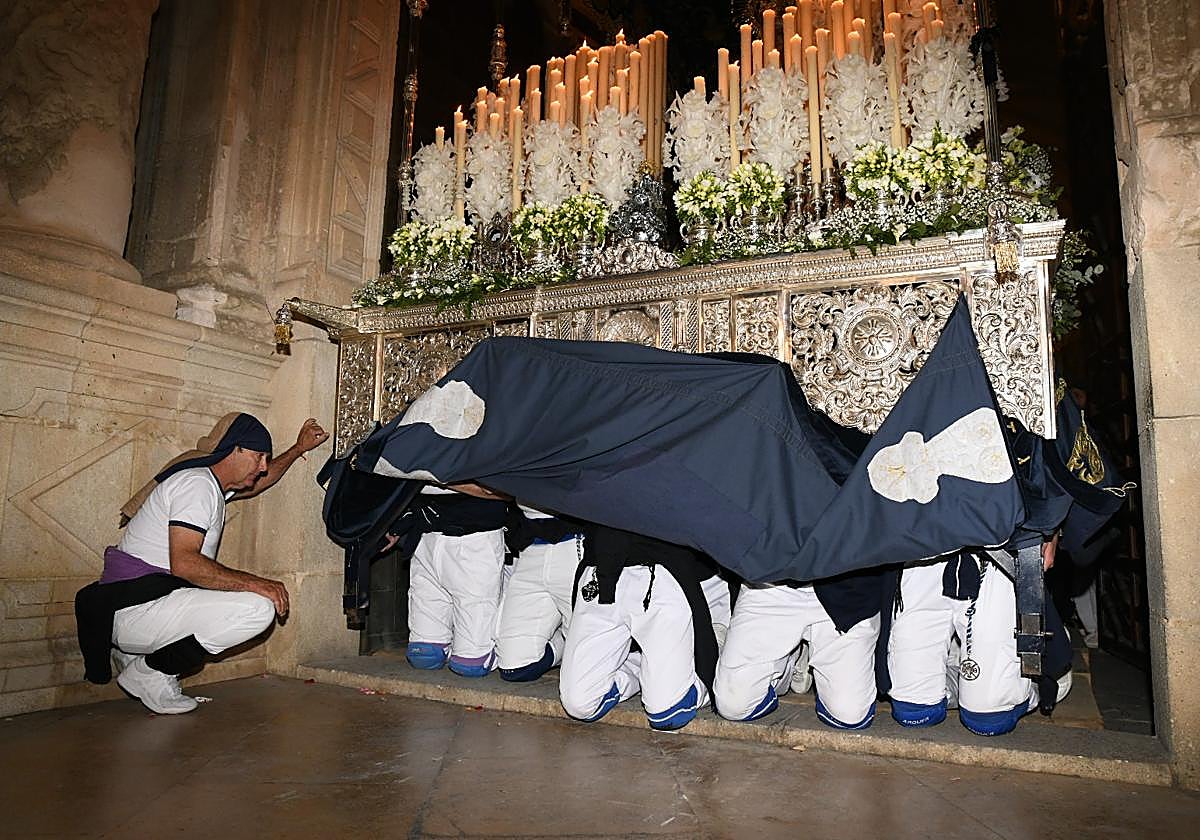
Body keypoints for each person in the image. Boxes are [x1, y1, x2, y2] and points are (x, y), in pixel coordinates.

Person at [75, 414, 329, 714]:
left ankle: (136, 658)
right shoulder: (197, 486)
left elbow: (259, 482)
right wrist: (258, 584)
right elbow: (185, 564)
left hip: (134, 608)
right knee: (258, 609)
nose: (263, 466)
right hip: (137, 610)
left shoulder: (208, 483)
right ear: (234, 450)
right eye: (259, 456)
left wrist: (298, 449)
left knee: (245, 599)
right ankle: (151, 673)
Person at [558, 524, 731, 731]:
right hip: (601, 564)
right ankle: (642, 664)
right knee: (579, 704)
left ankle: (716, 646)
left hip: (662, 565)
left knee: (667, 713)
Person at [713, 578, 882, 730]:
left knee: (849, 714)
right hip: (770, 584)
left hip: (846, 586)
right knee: (734, 706)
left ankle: (806, 649)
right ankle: (792, 656)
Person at [401, 483, 508, 676]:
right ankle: (458, 647)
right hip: (443, 537)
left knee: (461, 661)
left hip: (456, 536)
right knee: (434, 656)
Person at [494, 503, 584, 682]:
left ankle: (631, 663)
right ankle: (566, 641)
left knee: (584, 678)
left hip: (576, 545)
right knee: (515, 667)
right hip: (530, 546)